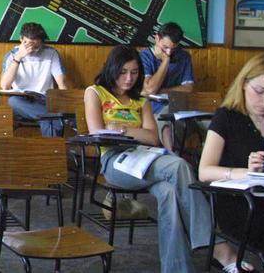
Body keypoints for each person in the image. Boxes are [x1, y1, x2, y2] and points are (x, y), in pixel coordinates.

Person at [84, 45, 238, 273]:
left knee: (168, 193)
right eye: (123, 72)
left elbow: (152, 137)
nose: (128, 78)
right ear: (112, 69)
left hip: (145, 158)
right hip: (115, 162)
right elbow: (97, 130)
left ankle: (177, 269)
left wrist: (121, 129)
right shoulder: (95, 92)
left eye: (134, 72)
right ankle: (217, 247)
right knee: (178, 165)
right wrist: (131, 130)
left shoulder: (141, 100)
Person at [199, 53, 264, 271]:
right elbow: (205, 171)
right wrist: (245, 172)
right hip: (240, 205)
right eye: (260, 92)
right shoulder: (226, 118)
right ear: (244, 84)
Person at [0, 22, 69, 136]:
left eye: (36, 46)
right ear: (21, 39)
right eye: (27, 45)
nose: (31, 50)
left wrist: (65, 104)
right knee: (12, 101)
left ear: (42, 43)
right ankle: (54, 119)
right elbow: (5, 86)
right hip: (22, 101)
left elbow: (62, 83)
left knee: (52, 115)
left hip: (45, 100)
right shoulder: (12, 55)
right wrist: (18, 58)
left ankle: (51, 150)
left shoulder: (51, 53)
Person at [140, 22, 195, 150]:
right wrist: (166, 61)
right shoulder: (144, 57)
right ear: (157, 38)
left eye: (173, 48)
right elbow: (150, 89)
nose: (169, 52)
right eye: (165, 47)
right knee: (166, 120)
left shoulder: (184, 56)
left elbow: (189, 88)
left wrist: (164, 90)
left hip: (178, 106)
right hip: (152, 109)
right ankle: (172, 155)